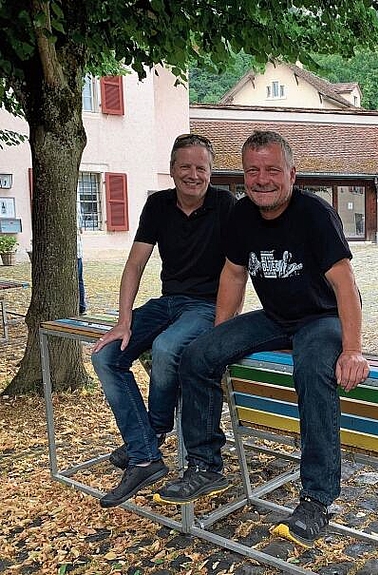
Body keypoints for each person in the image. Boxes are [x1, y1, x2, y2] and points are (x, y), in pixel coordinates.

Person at [155, 130, 369, 548]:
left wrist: (352, 348)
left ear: (292, 173)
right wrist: (220, 334)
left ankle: (317, 499)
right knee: (198, 355)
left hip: (320, 319)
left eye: (272, 169)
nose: (262, 179)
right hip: (275, 317)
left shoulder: (315, 214)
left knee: (311, 368)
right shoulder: (241, 216)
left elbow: (346, 285)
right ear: (243, 175)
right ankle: (205, 465)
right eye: (253, 171)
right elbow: (234, 274)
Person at [91, 134, 236, 508]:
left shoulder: (225, 205)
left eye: (200, 167)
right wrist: (124, 320)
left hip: (204, 306)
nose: (193, 174)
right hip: (167, 302)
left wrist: (224, 322)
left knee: (167, 346)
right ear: (172, 170)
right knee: (106, 356)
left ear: (210, 171)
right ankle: (145, 454)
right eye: (185, 167)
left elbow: (238, 269)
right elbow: (135, 264)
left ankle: (152, 431)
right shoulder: (157, 205)